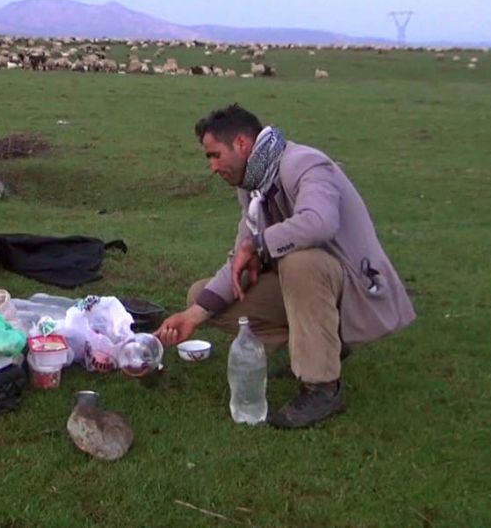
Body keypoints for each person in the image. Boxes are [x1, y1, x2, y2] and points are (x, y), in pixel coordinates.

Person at [154, 104, 415, 428]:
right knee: (201, 296)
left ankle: (322, 388)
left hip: (352, 291)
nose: (212, 166)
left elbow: (320, 223)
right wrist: (192, 316)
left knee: (300, 263)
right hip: (310, 291)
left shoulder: (305, 163)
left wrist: (260, 243)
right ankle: (314, 348)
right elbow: (240, 258)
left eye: (215, 155)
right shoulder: (252, 187)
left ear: (241, 144)